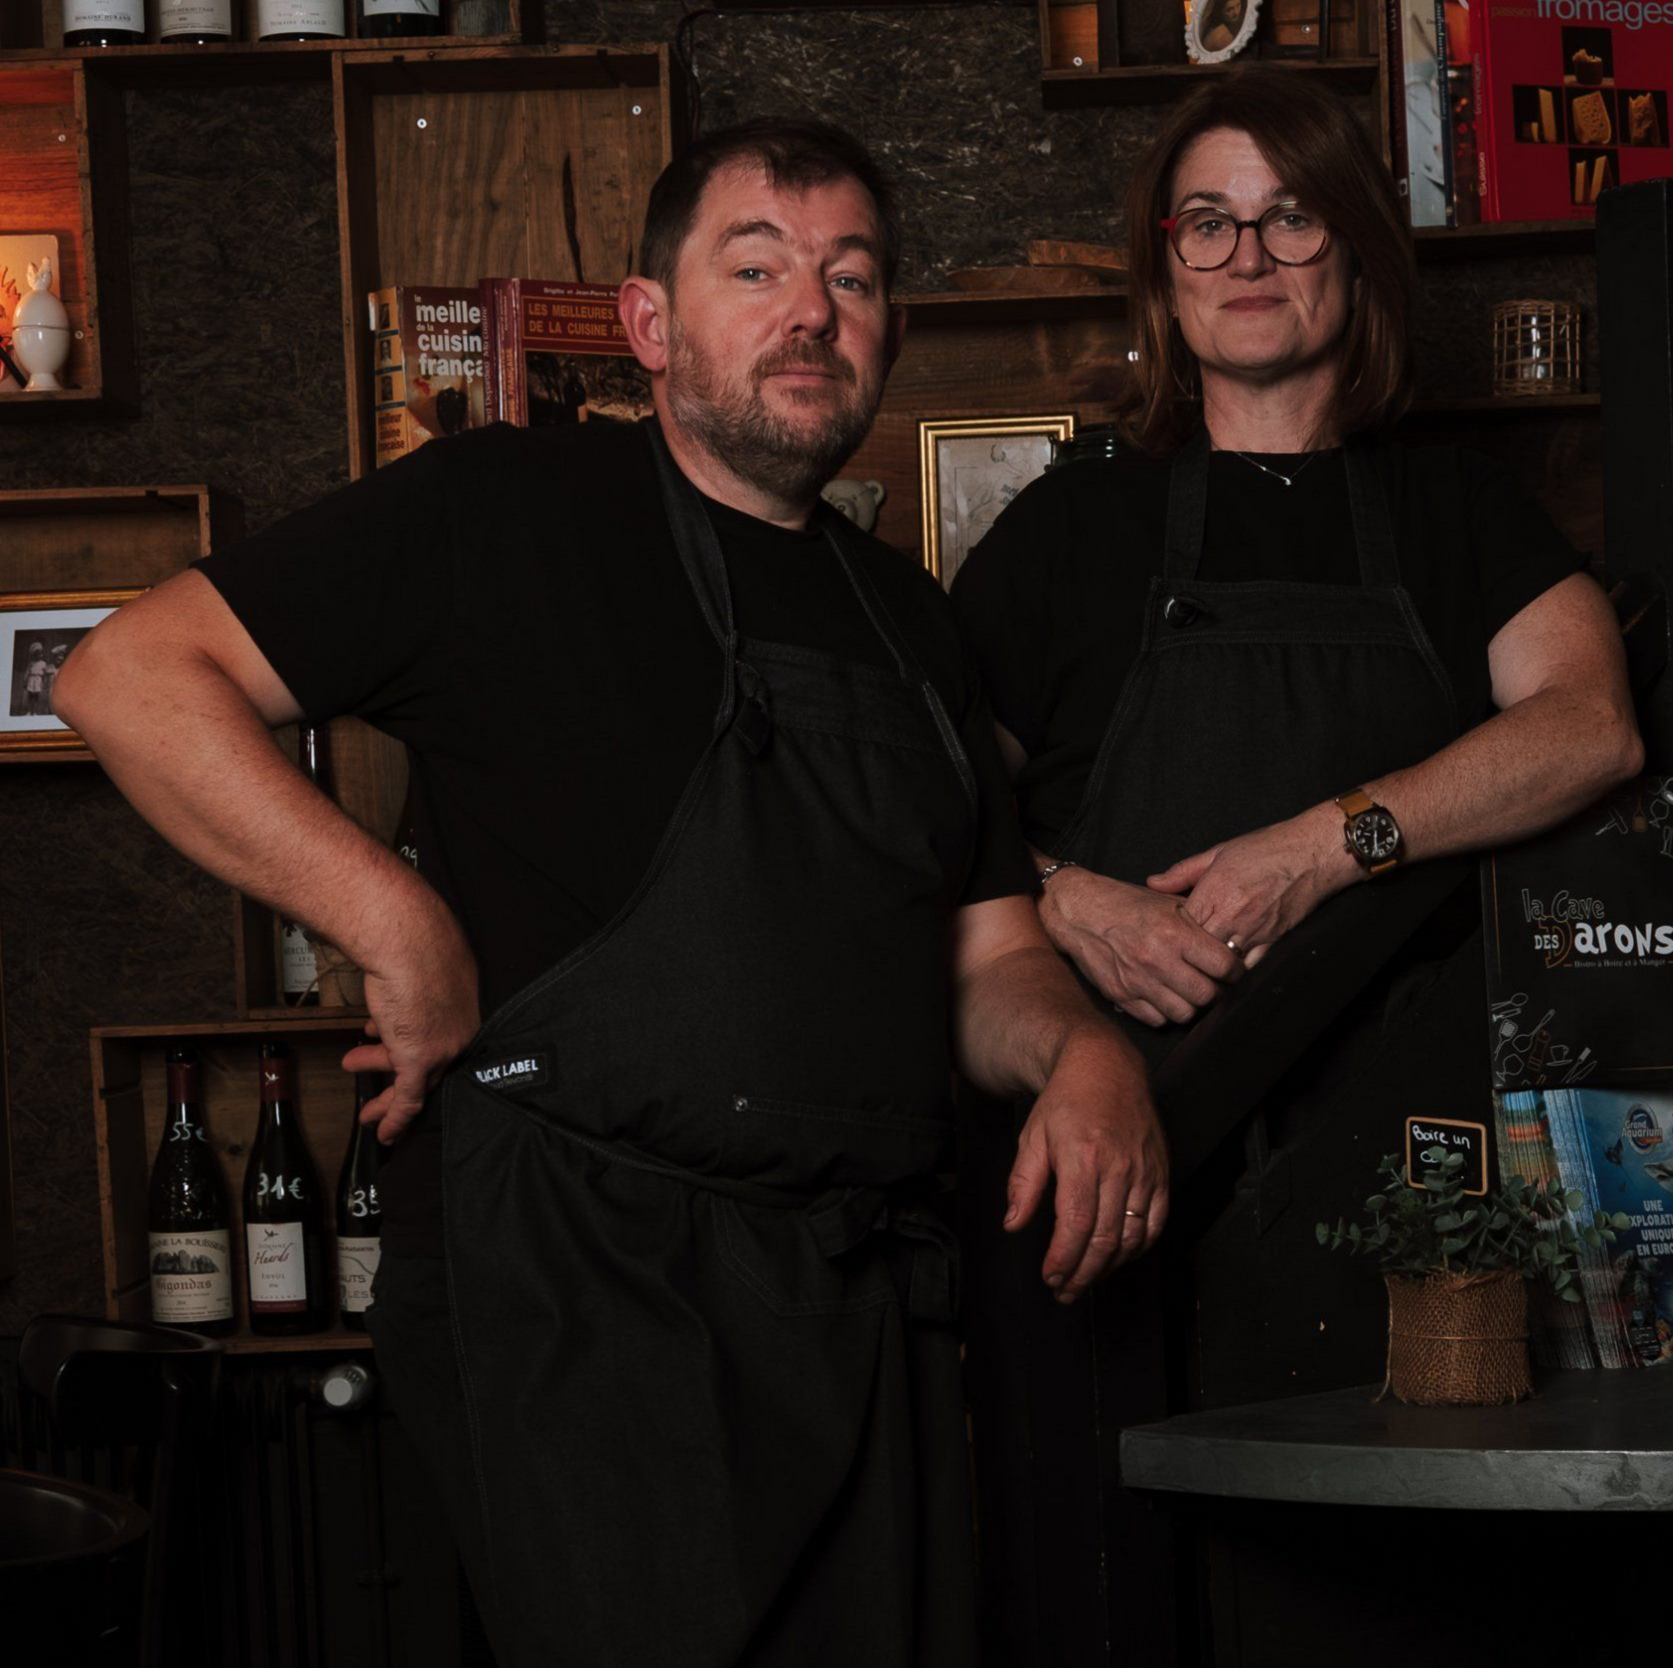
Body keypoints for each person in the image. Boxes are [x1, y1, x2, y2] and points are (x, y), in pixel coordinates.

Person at [53, 118, 1169, 1668]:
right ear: (651, 324)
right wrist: (397, 921)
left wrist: (1088, 1054)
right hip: (590, 1292)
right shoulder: (502, 510)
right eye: (756, 266)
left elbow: (983, 961)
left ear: (888, 332)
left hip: (860, 1302)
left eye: (850, 278)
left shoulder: (908, 622)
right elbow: (130, 678)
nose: (811, 311)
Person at [949, 68, 1644, 1401]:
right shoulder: (1069, 532)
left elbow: (1588, 727)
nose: (1249, 255)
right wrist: (1055, 897)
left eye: (1291, 217)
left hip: (1400, 1186)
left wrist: (1330, 844)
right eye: (1207, 220)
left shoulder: (1455, 513)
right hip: (1113, 1173)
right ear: (1168, 268)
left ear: (1361, 253)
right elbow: (923, 805)